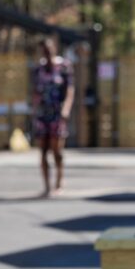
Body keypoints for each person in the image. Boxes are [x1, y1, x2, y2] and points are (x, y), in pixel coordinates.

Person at [31, 39, 75, 197]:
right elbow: (35, 92)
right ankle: (46, 186)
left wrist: (66, 110)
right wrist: (34, 111)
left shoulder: (63, 67)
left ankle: (59, 181)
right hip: (43, 113)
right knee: (43, 150)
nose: (47, 54)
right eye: (44, 51)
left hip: (57, 112)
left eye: (49, 50)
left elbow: (70, 90)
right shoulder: (38, 69)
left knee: (57, 150)